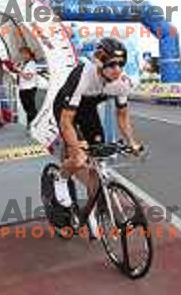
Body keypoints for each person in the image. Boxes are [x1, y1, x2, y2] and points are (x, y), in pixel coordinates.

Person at [51, 38, 143, 228]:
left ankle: (92, 206)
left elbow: (122, 116)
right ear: (99, 62)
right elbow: (66, 121)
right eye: (112, 64)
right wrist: (75, 148)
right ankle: (61, 178)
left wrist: (132, 141)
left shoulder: (122, 82)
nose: (117, 69)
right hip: (66, 111)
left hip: (88, 111)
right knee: (78, 159)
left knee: (98, 159)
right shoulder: (83, 75)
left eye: (121, 64)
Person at [16, 47, 39, 128]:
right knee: (26, 107)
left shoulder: (32, 64)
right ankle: (31, 124)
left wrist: (19, 71)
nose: (24, 55)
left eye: (25, 53)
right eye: (22, 54)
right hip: (22, 88)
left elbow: (28, 77)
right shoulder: (23, 63)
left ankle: (33, 124)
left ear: (29, 54)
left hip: (30, 88)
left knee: (30, 108)